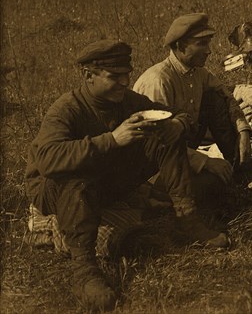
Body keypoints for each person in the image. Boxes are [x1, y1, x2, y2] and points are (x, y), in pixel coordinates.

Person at [26, 40, 227, 312]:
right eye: (114, 76)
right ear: (88, 76)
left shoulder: (127, 100)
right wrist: (112, 139)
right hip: (55, 189)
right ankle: (84, 270)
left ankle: (187, 219)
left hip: (105, 179)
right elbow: (49, 160)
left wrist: (177, 124)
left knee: (167, 136)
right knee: (77, 176)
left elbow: (176, 115)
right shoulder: (66, 109)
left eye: (126, 75)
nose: (124, 82)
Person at [133, 13, 252, 186]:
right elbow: (159, 143)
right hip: (156, 164)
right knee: (214, 184)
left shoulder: (198, 72)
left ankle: (239, 166)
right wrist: (206, 162)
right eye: (201, 44)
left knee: (216, 99)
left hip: (184, 149)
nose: (209, 50)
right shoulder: (158, 81)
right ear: (181, 46)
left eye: (208, 43)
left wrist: (243, 132)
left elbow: (226, 97)